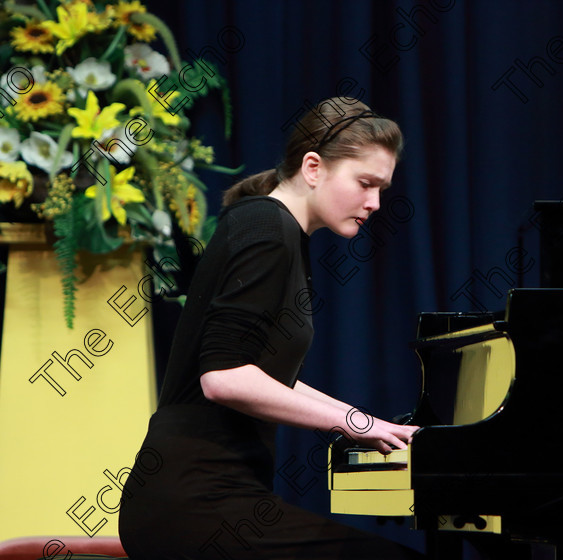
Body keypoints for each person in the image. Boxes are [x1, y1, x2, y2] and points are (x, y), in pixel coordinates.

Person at [118, 97, 424, 560]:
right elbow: (224, 378)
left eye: (382, 189)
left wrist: (368, 424)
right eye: (366, 183)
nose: (375, 203)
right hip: (195, 500)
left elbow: (264, 372)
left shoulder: (273, 227)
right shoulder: (266, 226)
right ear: (314, 167)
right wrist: (352, 423)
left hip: (205, 495)